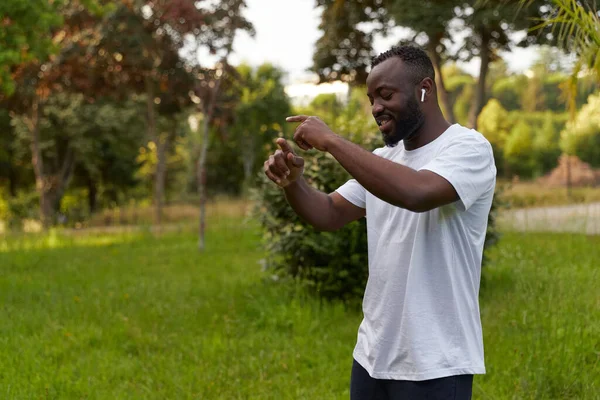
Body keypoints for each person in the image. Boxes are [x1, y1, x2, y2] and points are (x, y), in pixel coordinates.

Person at [263, 45, 496, 400]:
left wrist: (331, 141)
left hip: (435, 363)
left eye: (385, 95)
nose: (375, 108)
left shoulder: (468, 148)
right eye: (371, 98)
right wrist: (293, 184)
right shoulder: (382, 160)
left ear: (425, 89)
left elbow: (417, 193)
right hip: (372, 356)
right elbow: (328, 213)